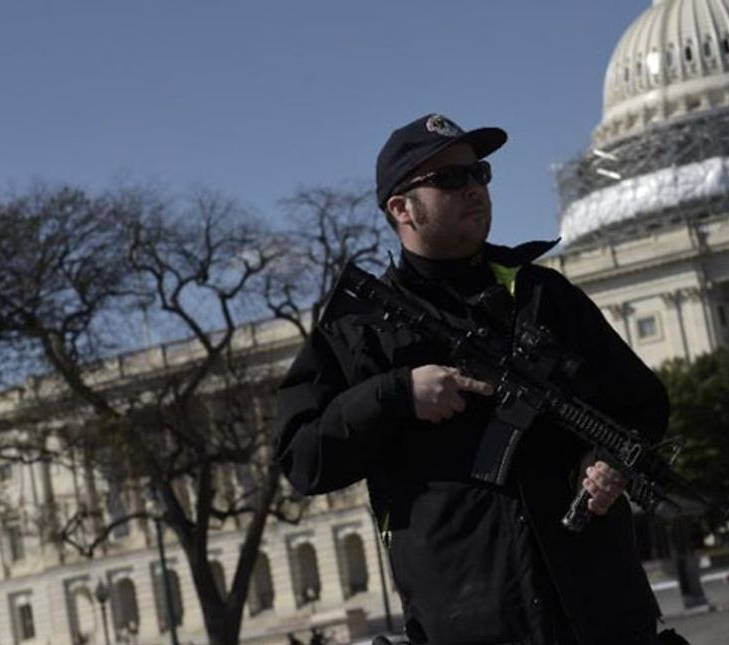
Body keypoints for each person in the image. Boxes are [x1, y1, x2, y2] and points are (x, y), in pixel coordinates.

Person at [275, 113, 673, 644]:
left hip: (602, 612)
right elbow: (302, 459)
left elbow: (643, 404)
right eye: (449, 180)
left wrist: (608, 461)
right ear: (401, 208)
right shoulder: (360, 330)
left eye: (479, 174)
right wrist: (396, 395)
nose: (474, 190)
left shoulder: (542, 296)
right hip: (474, 623)